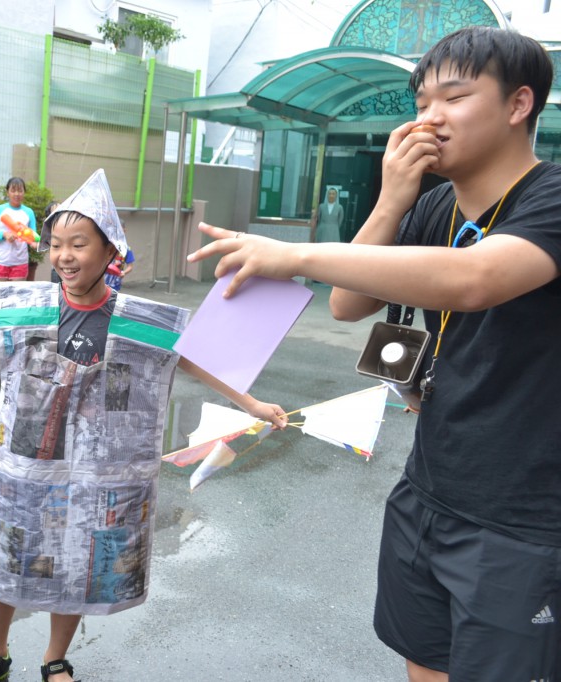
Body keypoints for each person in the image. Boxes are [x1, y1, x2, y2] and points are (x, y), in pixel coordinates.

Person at [187, 27, 560, 682]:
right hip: (427, 489)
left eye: (454, 96)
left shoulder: (549, 198)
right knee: (423, 659)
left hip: (524, 519)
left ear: (518, 103)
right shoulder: (435, 204)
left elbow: (477, 280)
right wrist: (393, 198)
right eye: (420, 104)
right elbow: (347, 304)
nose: (428, 118)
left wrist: (294, 255)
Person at [0, 169, 286, 682]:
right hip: (26, 464)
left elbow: (190, 358)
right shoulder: (29, 309)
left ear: (110, 252)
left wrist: (250, 403)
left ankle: (55, 659)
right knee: (10, 551)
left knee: (78, 556)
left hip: (96, 473)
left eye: (78, 244)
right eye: (55, 245)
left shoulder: (135, 319)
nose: (65, 256)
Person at [0, 176, 37, 283]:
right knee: (1, 297)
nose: (16, 194)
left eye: (20, 191)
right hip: (1, 260)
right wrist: (4, 235)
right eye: (13, 190)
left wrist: (34, 242)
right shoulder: (0, 210)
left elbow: (33, 235)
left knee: (17, 297)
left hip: (20, 261)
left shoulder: (29, 212)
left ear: (24, 192)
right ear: (7, 192)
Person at [103, 220, 135, 291]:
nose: (117, 233)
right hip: (101, 281)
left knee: (112, 300)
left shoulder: (126, 249)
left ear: (124, 231)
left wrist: (124, 272)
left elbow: (130, 266)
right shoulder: (105, 246)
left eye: (120, 230)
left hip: (115, 283)